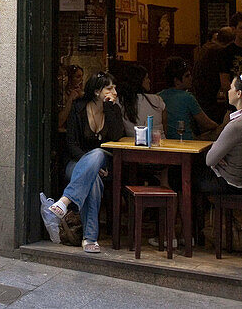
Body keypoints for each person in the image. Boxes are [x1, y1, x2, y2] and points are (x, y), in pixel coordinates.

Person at [40, 72, 123, 253]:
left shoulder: (114, 110)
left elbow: (117, 137)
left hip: (105, 165)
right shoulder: (78, 108)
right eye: (109, 88)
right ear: (96, 91)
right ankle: (90, 238)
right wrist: (91, 165)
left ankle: (64, 201)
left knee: (99, 156)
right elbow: (71, 144)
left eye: (114, 87)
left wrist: (109, 108)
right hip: (76, 163)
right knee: (93, 173)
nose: (114, 91)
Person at [193, 73, 242, 238]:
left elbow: (209, 159)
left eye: (232, 87)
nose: (228, 91)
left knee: (189, 179)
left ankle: (194, 235)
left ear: (239, 94)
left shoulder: (236, 125)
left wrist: (219, 157)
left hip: (231, 182)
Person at [157, 57, 218, 141]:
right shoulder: (187, 97)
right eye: (187, 76)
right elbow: (207, 124)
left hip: (166, 142)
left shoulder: (158, 97)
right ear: (177, 81)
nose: (191, 78)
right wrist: (220, 126)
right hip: (186, 141)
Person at [116, 63, 166, 141]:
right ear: (139, 81)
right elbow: (165, 126)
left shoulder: (121, 102)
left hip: (134, 146)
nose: (149, 81)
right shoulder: (157, 100)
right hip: (160, 144)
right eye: (146, 78)